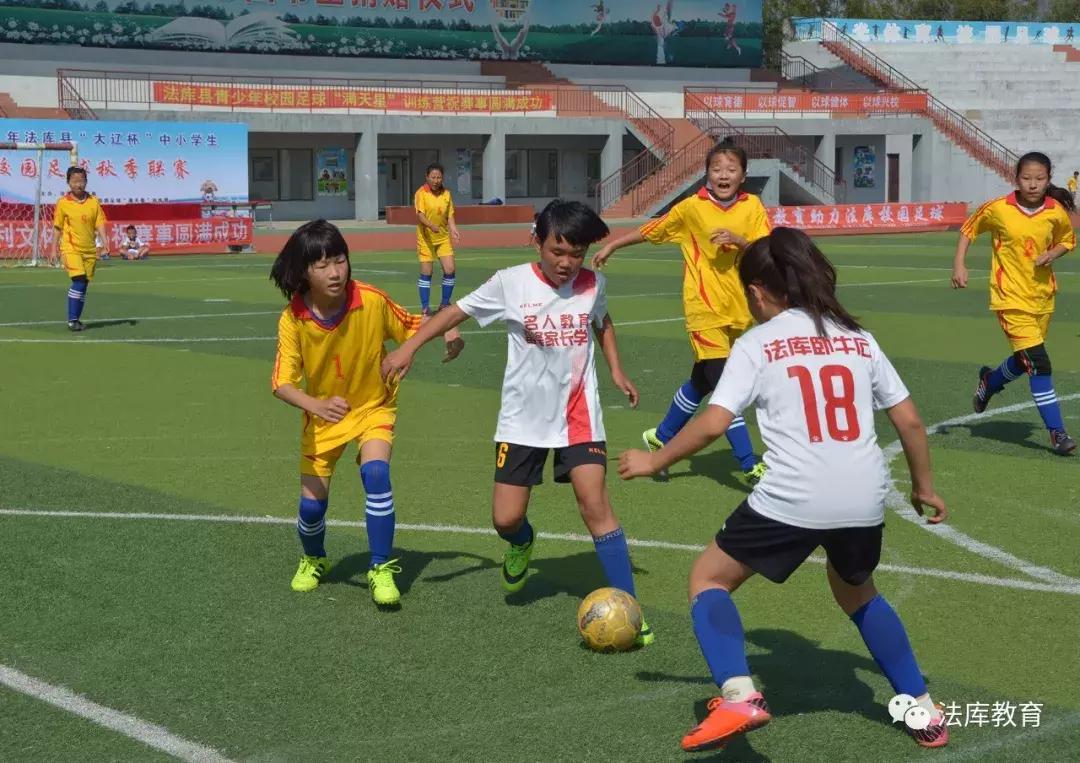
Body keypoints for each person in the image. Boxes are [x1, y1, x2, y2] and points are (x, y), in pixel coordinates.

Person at [619, 227, 950, 751]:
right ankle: (923, 710)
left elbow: (712, 424)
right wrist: (924, 487)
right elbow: (908, 421)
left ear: (755, 292)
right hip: (864, 494)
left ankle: (738, 696)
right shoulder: (856, 337)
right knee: (858, 594)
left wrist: (653, 457)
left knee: (708, 579)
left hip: (795, 494)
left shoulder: (755, 344)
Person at [382, 200, 654, 646]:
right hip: (522, 420)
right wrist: (409, 347)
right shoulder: (510, 283)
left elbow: (602, 322)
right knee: (506, 519)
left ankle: (632, 611)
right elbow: (456, 312)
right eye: (557, 251)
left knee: (595, 506)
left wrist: (617, 371)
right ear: (537, 241)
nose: (567, 263)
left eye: (577, 253)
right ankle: (523, 542)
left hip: (578, 415)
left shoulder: (593, 283)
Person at [270, 219, 464, 607]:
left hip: (374, 405)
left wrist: (448, 331)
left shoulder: (370, 299)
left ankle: (381, 567)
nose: (335, 272)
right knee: (312, 508)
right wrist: (316, 405)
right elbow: (282, 383)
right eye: (322, 265)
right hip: (322, 418)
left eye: (340, 260)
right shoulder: (293, 318)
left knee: (376, 473)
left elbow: (413, 324)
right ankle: (313, 558)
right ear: (303, 272)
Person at [592, 139, 769, 483]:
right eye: (716, 169)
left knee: (701, 381)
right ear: (706, 173)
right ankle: (749, 464)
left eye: (731, 169)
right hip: (702, 310)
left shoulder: (753, 207)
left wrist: (740, 240)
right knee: (726, 388)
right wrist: (613, 245)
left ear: (743, 176)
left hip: (737, 308)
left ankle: (660, 437)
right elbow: (652, 230)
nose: (723, 175)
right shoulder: (691, 208)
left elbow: (766, 247)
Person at [952, 151, 1077, 455]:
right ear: (1015, 178)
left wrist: (1053, 254)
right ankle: (1057, 433)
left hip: (1043, 297)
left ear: (1048, 179)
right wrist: (959, 264)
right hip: (1009, 299)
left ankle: (990, 381)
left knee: (1026, 361)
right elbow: (969, 229)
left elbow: (1068, 239)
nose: (1033, 184)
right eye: (1026, 178)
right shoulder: (997, 209)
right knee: (1040, 364)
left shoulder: (1055, 211)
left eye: (1039, 179)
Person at [51, 167, 108, 332]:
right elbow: (57, 228)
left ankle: (75, 319)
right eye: (74, 181)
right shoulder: (63, 203)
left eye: (81, 181)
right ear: (68, 182)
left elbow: (99, 223)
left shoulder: (93, 201)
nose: (78, 184)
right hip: (70, 248)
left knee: (84, 284)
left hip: (89, 250)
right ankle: (72, 320)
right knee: (79, 280)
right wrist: (53, 250)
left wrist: (105, 242)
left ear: (86, 182)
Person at [414, 163, 460, 318]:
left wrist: (453, 228)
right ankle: (425, 307)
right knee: (427, 272)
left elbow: (450, 214)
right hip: (425, 239)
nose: (436, 180)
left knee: (450, 269)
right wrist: (431, 225)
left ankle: (444, 303)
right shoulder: (421, 193)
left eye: (439, 177)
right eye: (433, 177)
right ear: (427, 177)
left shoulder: (447, 193)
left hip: (442, 238)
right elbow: (420, 215)